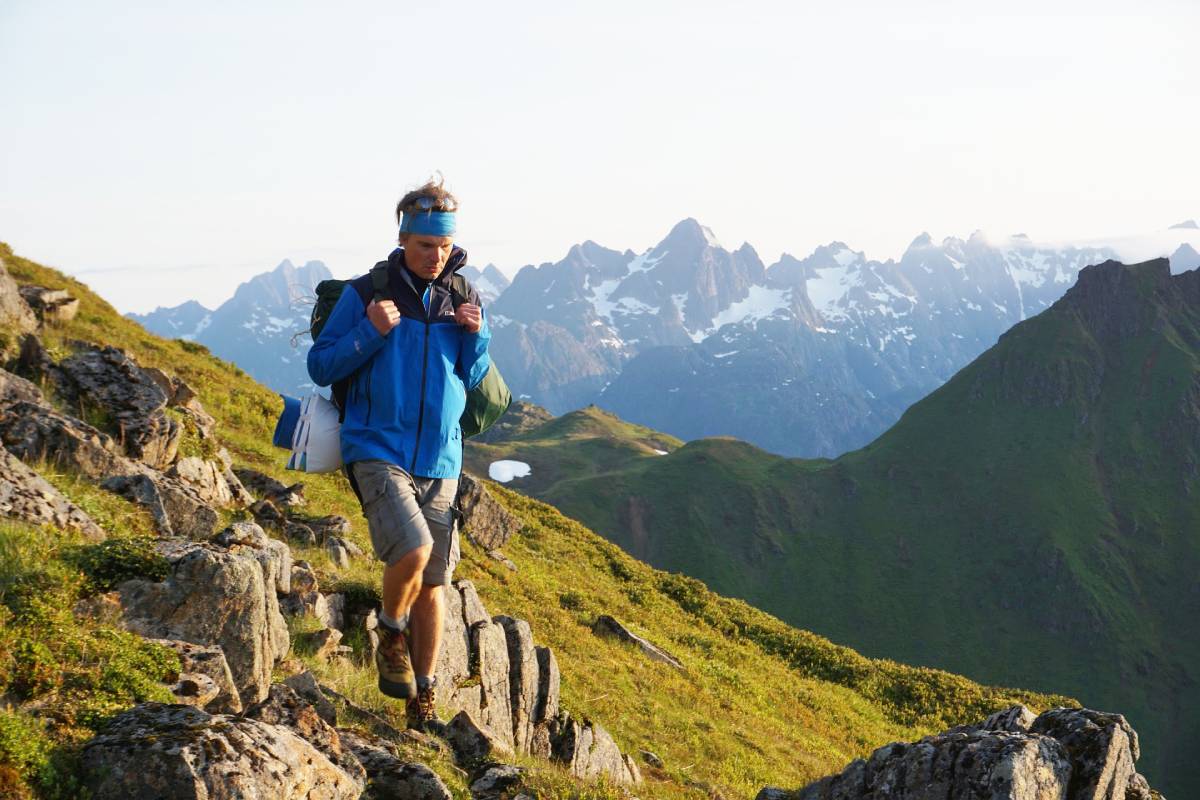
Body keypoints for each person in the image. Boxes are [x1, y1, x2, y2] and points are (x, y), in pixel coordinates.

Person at [306, 177, 490, 731]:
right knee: (412, 548)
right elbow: (322, 365)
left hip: (442, 458)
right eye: (425, 245)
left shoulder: (464, 296)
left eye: (444, 245)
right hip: (377, 447)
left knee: (433, 584)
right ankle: (389, 631)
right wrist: (369, 331)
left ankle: (422, 700)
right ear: (404, 238)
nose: (436, 256)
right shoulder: (368, 293)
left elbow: (472, 378)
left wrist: (477, 339)